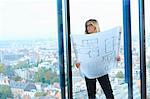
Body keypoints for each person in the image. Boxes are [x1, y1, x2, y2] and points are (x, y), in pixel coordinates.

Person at [75, 19, 120, 99]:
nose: (88, 27)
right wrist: (78, 63)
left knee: (108, 92)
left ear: (95, 26)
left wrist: (115, 57)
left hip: (101, 68)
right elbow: (81, 55)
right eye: (87, 25)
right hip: (89, 69)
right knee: (91, 94)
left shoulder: (102, 39)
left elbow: (108, 51)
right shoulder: (83, 40)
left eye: (90, 25)